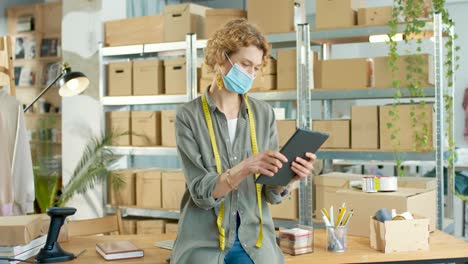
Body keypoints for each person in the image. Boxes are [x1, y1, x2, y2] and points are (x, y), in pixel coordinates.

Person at [171, 19, 316, 264]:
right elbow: (200, 193)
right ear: (220, 58)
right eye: (245, 64)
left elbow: (271, 193)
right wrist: (244, 168)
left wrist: (290, 178)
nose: (250, 74)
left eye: (256, 68)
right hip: (204, 243)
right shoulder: (189, 116)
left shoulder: (263, 114)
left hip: (255, 241)